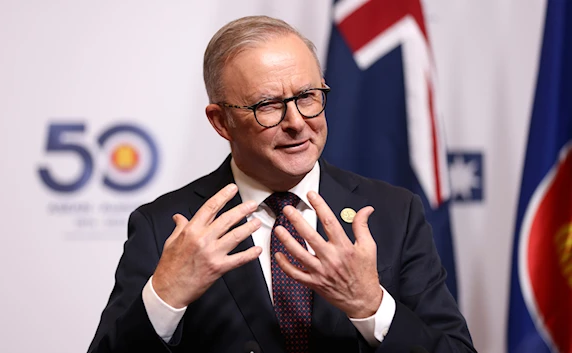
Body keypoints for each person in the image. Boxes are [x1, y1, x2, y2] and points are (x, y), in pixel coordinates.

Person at [88, 15, 476, 353]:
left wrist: (371, 306)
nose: (296, 121)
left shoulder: (394, 212)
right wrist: (165, 299)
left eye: (308, 96)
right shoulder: (165, 226)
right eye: (268, 105)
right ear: (221, 121)